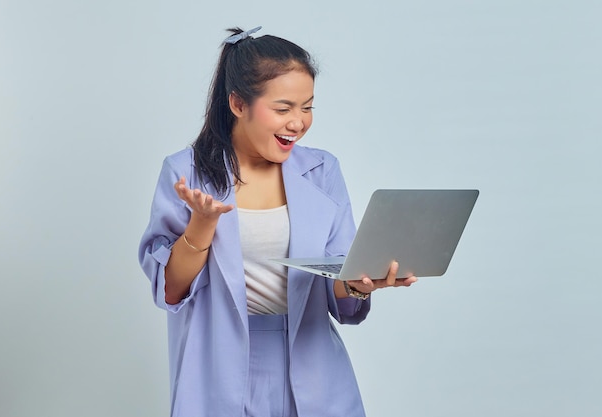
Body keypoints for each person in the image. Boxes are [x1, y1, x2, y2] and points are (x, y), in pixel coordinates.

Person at [138, 26, 417, 417]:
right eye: (284, 109)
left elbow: (333, 276)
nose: (298, 123)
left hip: (314, 365)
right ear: (238, 104)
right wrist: (202, 224)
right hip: (216, 367)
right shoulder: (186, 172)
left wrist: (356, 284)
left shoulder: (322, 171)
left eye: (308, 108)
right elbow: (171, 289)